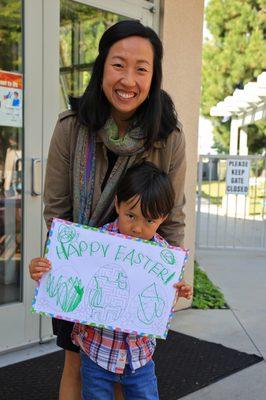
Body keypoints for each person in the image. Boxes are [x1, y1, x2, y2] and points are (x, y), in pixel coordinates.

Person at [29, 20, 186, 400]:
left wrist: (163, 281)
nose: (128, 80)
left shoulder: (167, 138)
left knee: (125, 375)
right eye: (118, 64)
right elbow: (57, 210)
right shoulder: (71, 127)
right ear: (101, 67)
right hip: (80, 277)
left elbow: (173, 218)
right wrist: (71, 267)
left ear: (154, 76)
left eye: (141, 69)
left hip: (135, 283)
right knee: (76, 366)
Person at [71, 162, 192, 400]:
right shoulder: (96, 243)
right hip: (97, 352)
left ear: (163, 218)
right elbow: (71, 275)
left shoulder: (165, 256)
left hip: (140, 356)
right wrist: (45, 271)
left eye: (149, 221)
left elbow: (160, 301)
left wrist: (180, 290)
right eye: (131, 216)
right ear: (117, 204)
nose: (137, 228)